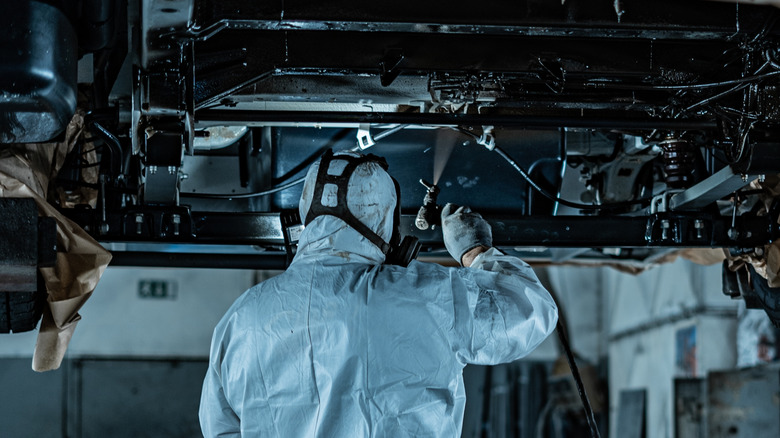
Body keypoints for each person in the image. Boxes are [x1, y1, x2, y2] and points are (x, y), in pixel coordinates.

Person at [199, 150, 558, 437]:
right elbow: (530, 312)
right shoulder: (424, 297)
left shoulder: (241, 318)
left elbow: (220, 428)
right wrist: (474, 252)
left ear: (306, 215)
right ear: (383, 222)